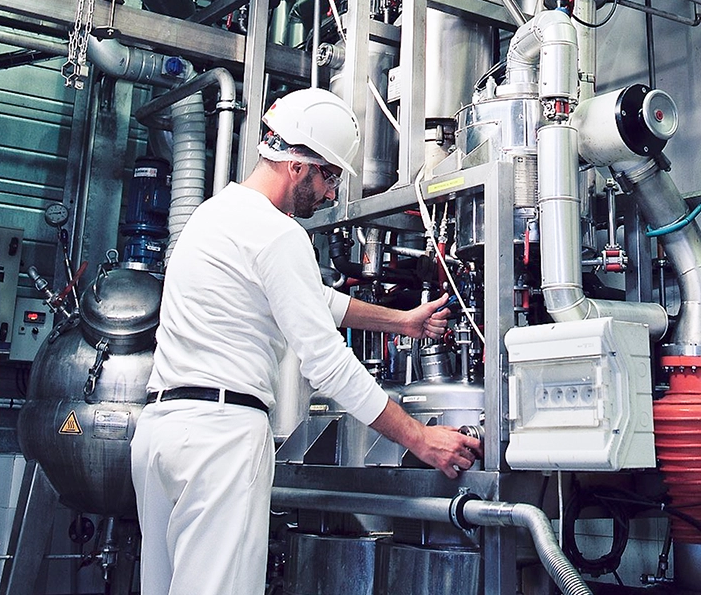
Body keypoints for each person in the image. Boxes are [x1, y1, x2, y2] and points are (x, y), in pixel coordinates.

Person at [130, 88, 482, 595]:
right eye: (330, 175)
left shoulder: (214, 215)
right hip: (220, 441)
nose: (331, 194)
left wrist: (402, 322)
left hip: (161, 434)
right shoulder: (278, 234)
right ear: (298, 165)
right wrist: (421, 439)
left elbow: (311, 298)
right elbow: (327, 364)